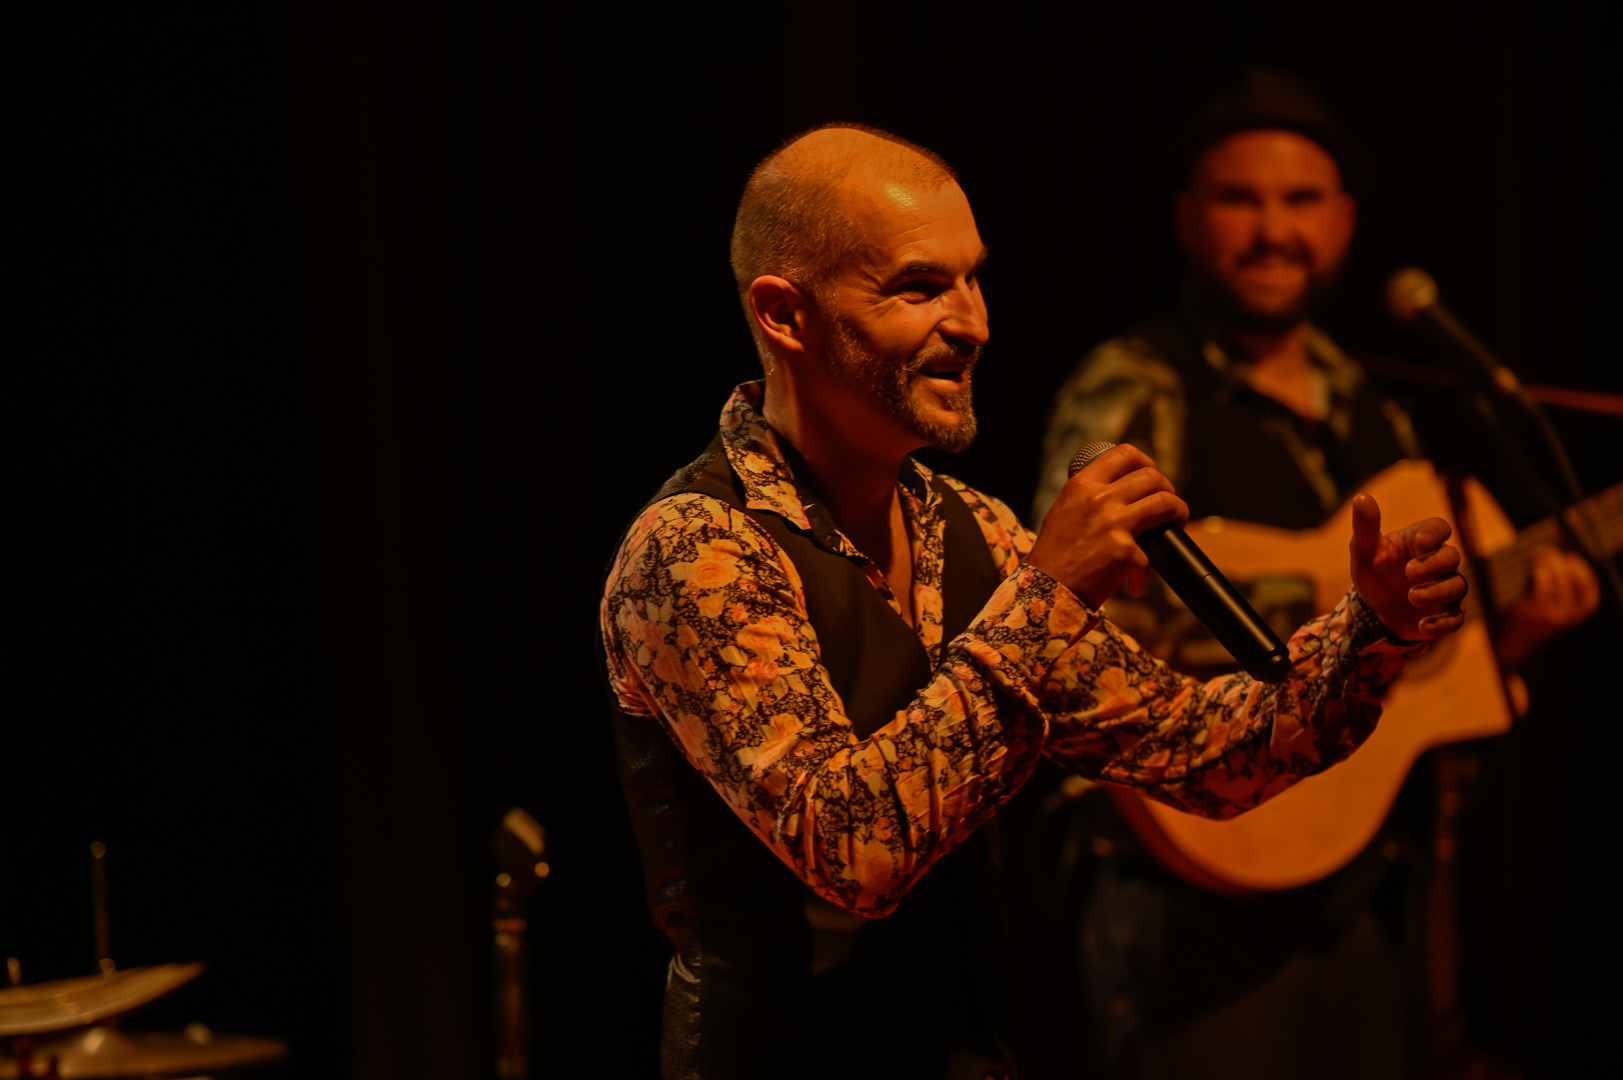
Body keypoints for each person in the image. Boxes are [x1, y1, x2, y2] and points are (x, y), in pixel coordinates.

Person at [600, 122, 1467, 1080]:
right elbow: (853, 852)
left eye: (973, 280)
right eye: (920, 288)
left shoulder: (972, 530)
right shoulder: (697, 548)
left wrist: (1371, 630)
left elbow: (1205, 758)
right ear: (784, 315)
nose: (972, 323)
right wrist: (1046, 599)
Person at [1033, 70, 1600, 1078]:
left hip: (1362, 883)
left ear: (1343, 223)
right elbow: (1067, 625)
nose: (1272, 231)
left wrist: (1511, 640)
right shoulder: (1139, 384)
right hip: (1190, 898)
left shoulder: (1378, 415)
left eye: (1299, 201)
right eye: (1238, 199)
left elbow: (1414, 678)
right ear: (1185, 217)